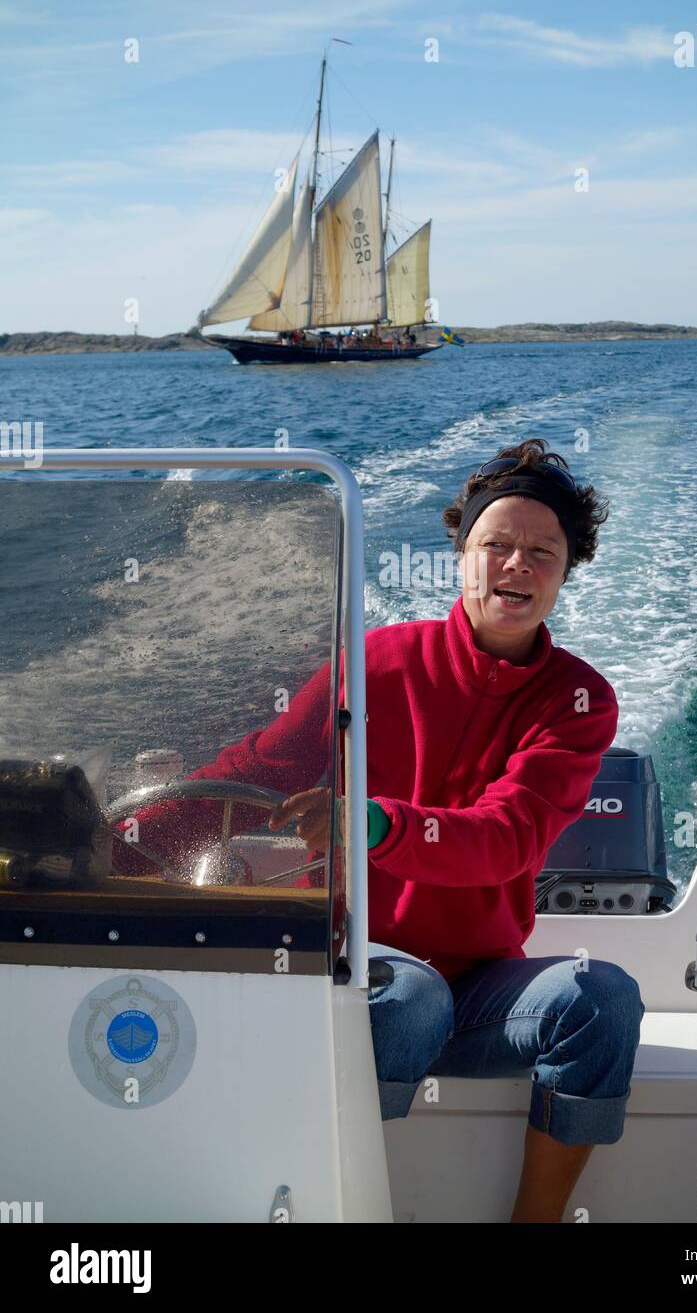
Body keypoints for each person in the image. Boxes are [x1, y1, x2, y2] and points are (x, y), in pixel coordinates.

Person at [113, 438, 643, 1223]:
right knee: (409, 992)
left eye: (542, 551)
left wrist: (369, 821)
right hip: (366, 976)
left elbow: (510, 837)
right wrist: (115, 841)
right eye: (496, 544)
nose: (517, 565)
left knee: (602, 997)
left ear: (567, 571)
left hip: (480, 992)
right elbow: (256, 766)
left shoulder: (580, 702)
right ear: (461, 553)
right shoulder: (371, 664)